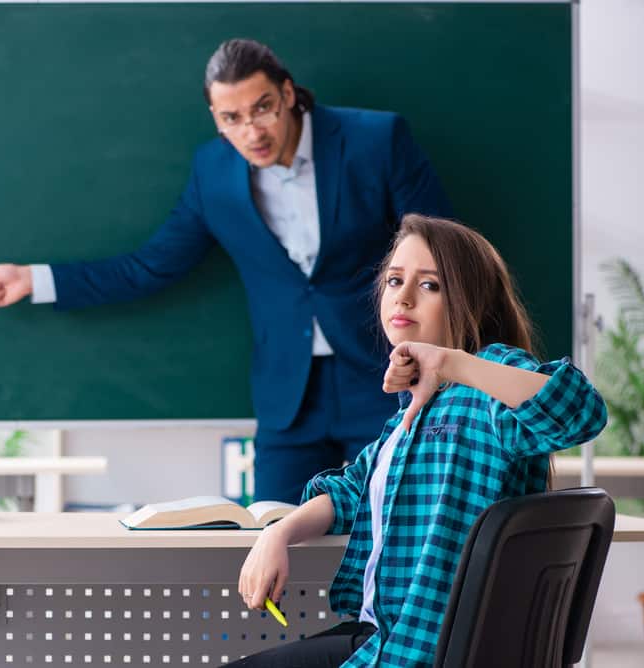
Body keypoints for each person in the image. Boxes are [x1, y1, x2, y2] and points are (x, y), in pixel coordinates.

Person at [0, 39, 451, 504]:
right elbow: (151, 265)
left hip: (386, 376)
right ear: (216, 119)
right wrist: (35, 279)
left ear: (287, 94)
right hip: (288, 398)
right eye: (232, 118)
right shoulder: (213, 172)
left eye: (262, 108)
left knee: (397, 539)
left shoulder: (375, 139)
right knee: (272, 550)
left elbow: (444, 253)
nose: (251, 132)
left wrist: (435, 357)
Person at [227, 214, 608, 667]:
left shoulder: (487, 382)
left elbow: (581, 412)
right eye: (393, 280)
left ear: (469, 299)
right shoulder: (417, 409)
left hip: (419, 650)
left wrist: (453, 362)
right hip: (382, 636)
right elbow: (352, 492)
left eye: (430, 285)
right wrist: (279, 532)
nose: (402, 297)